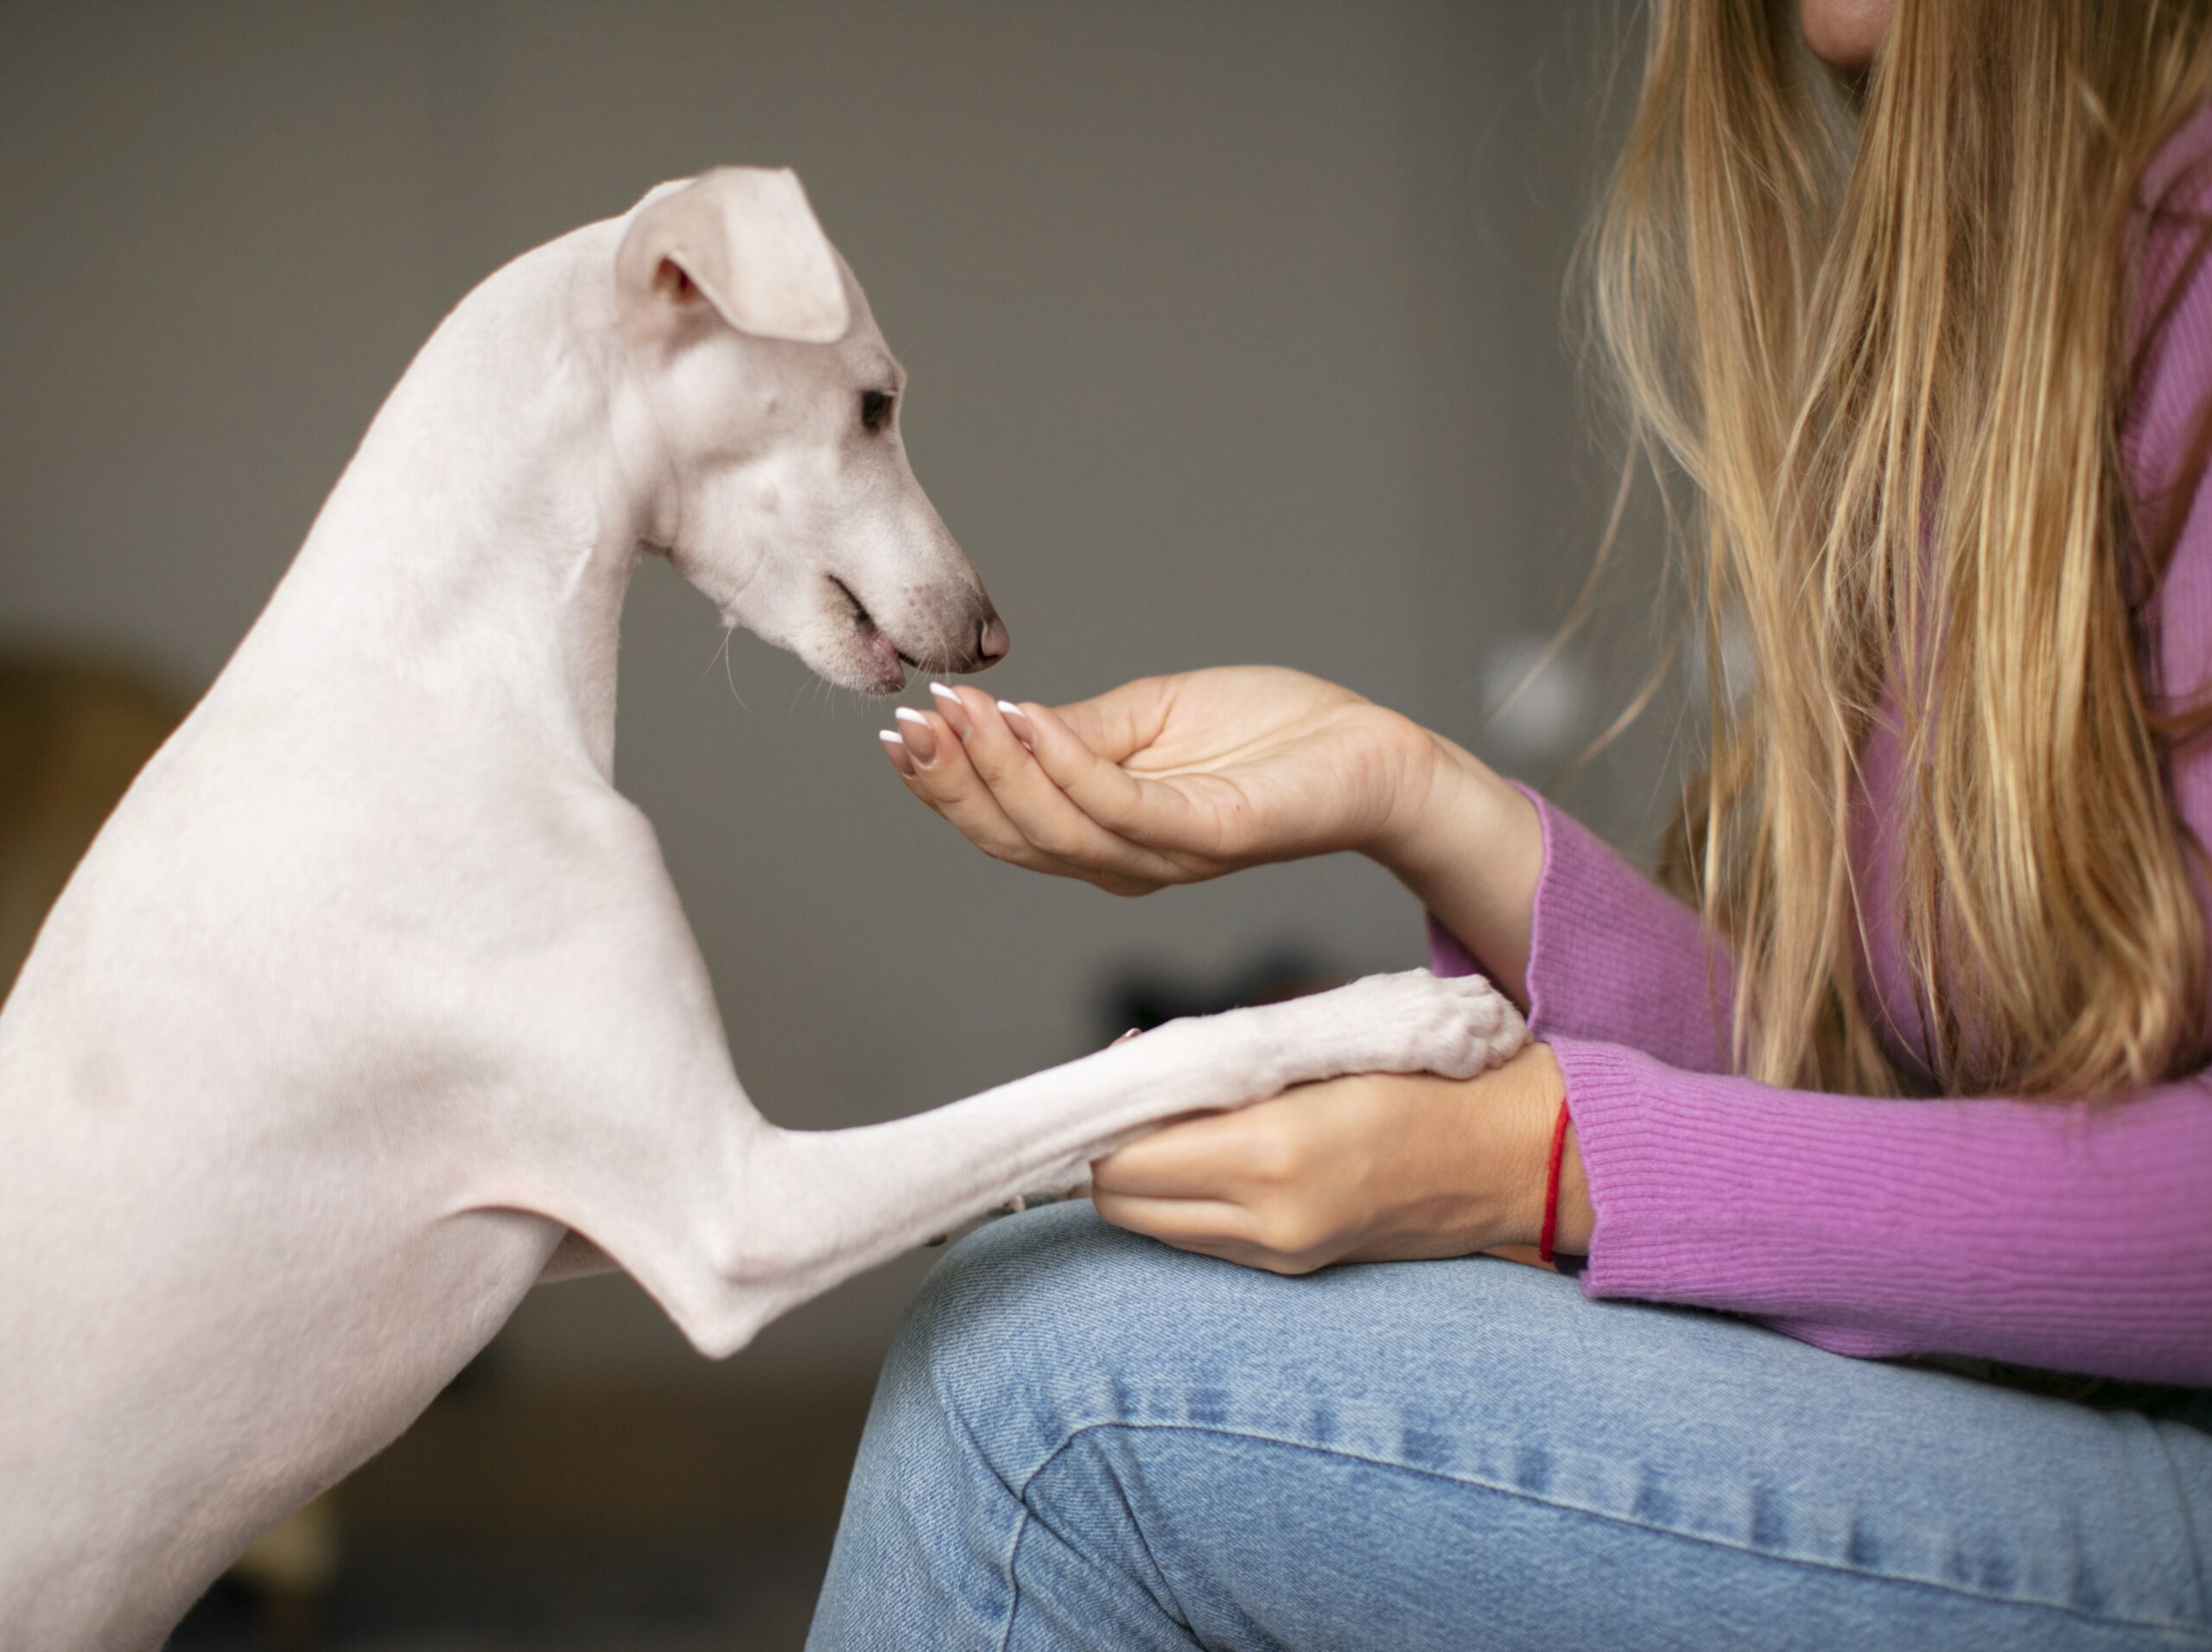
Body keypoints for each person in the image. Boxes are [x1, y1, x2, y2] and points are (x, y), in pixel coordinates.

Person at [811, 1, 2212, 1645]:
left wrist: (1548, 1164)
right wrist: (1409, 794)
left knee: (1044, 1398)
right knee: (1025, 1313)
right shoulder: (2011, 302)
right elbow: (1915, 1123)